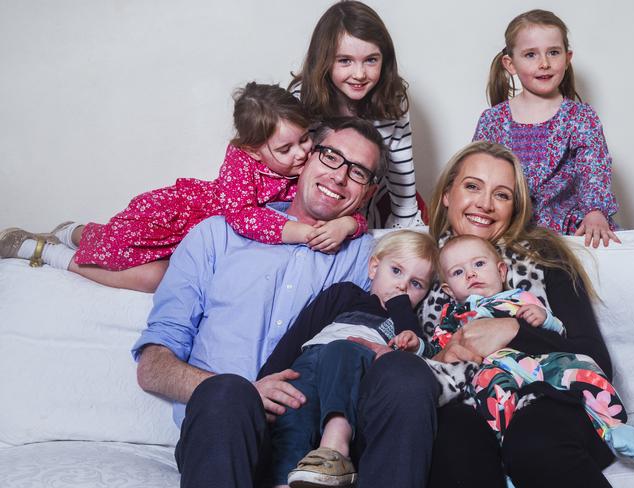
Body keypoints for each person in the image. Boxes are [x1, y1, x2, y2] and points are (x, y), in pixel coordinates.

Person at [132, 117, 442, 488]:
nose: (340, 177)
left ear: (370, 192)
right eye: (331, 157)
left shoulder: (371, 259)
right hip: (224, 432)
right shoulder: (216, 236)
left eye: (359, 172)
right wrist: (249, 393)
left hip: (318, 442)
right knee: (229, 394)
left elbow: (429, 274)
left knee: (406, 375)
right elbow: (153, 366)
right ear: (307, 157)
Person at [0, 83, 366, 292]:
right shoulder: (242, 160)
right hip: (174, 218)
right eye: (286, 149)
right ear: (253, 148)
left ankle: (65, 239)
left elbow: (348, 205)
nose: (302, 152)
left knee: (158, 277)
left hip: (195, 243)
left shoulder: (311, 164)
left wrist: (348, 224)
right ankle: (61, 242)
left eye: (304, 140)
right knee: (110, 245)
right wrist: (301, 232)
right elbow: (241, 216)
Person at [416, 140, 622, 487]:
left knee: (533, 441)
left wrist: (513, 330)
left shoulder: (544, 258)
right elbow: (400, 353)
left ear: (515, 207)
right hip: (465, 404)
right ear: (447, 193)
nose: (484, 203)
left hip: (548, 399)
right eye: (472, 187)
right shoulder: (417, 262)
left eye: (502, 194)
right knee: (451, 442)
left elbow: (596, 360)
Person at [259, 230, 476, 488]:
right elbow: (298, 334)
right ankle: (287, 479)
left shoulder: (405, 321)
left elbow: (416, 352)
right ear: (374, 267)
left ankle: (335, 450)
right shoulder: (345, 294)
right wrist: (264, 381)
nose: (402, 285)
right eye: (396, 271)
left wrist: (401, 307)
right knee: (292, 414)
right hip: (309, 362)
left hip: (352, 365)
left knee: (342, 349)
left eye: (416, 284)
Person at [429, 234, 634, 461]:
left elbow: (557, 331)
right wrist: (418, 345)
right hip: (493, 370)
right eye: (458, 272)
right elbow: (438, 350)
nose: (471, 273)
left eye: (479, 264)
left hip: (538, 364)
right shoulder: (453, 318)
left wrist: (544, 318)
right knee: (491, 400)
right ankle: (501, 458)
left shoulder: (518, 297)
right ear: (449, 290)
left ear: (501, 271)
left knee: (583, 368)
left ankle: (613, 426)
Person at [473, 9, 619, 248]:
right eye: (530, 54)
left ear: (567, 57)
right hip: (507, 222)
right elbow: (478, 174)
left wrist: (595, 211)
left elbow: (593, 169)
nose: (544, 63)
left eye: (553, 52)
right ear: (510, 64)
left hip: (567, 222)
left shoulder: (581, 117)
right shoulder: (493, 120)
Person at [289, 0, 423, 229]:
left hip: (355, 222)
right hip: (300, 216)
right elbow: (285, 169)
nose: (359, 74)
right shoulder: (301, 98)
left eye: (371, 60)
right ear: (324, 60)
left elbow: (402, 182)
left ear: (385, 59)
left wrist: (407, 231)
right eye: (345, 61)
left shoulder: (392, 100)